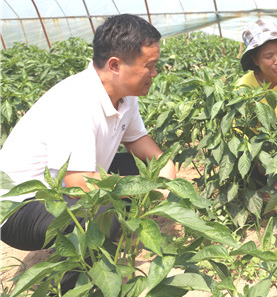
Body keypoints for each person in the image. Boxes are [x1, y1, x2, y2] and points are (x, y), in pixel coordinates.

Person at [0, 14, 176, 252]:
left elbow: (141, 144)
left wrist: (166, 171)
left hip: (65, 186)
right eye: (149, 66)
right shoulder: (77, 100)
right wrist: (146, 188)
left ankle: (106, 239)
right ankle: (66, 286)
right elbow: (79, 183)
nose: (155, 73)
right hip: (20, 207)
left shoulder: (126, 95)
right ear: (115, 65)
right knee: (99, 216)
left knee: (138, 169)